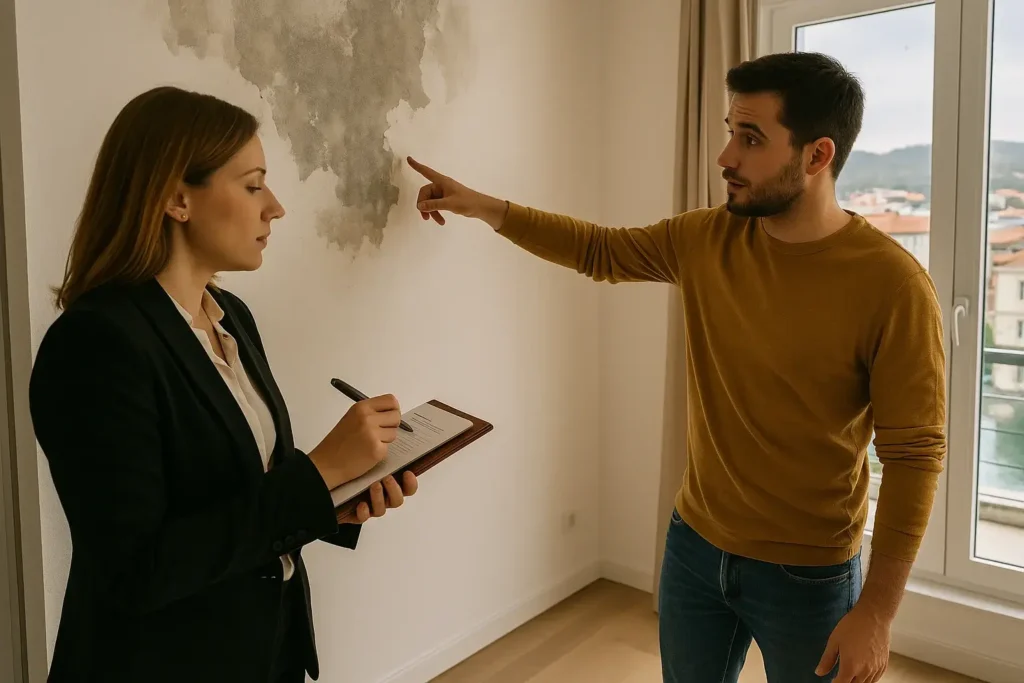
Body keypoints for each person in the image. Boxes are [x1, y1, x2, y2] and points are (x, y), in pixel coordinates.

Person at [407, 51, 946, 683]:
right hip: (695, 546)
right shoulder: (707, 238)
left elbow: (914, 453)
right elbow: (600, 250)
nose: (725, 157)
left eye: (750, 138)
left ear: (817, 155)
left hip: (809, 573)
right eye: (728, 131)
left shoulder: (893, 285)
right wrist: (487, 207)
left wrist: (877, 614)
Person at [29, 86, 418, 683]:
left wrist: (335, 502)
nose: (276, 207)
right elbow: (138, 568)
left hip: (264, 654)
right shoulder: (96, 346)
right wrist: (318, 472)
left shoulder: (230, 315)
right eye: (254, 184)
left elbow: (238, 494)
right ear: (176, 198)